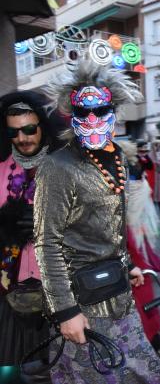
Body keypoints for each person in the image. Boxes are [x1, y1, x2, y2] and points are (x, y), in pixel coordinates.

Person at [37, 60, 160, 383]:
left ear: (113, 112)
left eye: (100, 111)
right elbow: (47, 243)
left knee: (147, 374)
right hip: (80, 307)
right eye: (83, 113)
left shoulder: (115, 159)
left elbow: (110, 229)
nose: (92, 120)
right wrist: (65, 312)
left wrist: (127, 264)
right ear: (71, 118)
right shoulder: (57, 167)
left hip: (117, 296)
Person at [0, 90, 64, 377]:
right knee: (9, 368)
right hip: (8, 288)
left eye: (29, 129)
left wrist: (44, 222)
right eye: (14, 132)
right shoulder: (1, 170)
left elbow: (90, 222)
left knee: (56, 368)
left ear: (43, 127)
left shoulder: (65, 167)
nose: (23, 138)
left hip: (56, 289)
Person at [120, 140, 160, 353]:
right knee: (143, 289)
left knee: (137, 292)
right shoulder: (138, 173)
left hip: (128, 239)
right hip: (138, 237)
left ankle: (145, 337)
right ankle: (152, 336)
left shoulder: (121, 180)